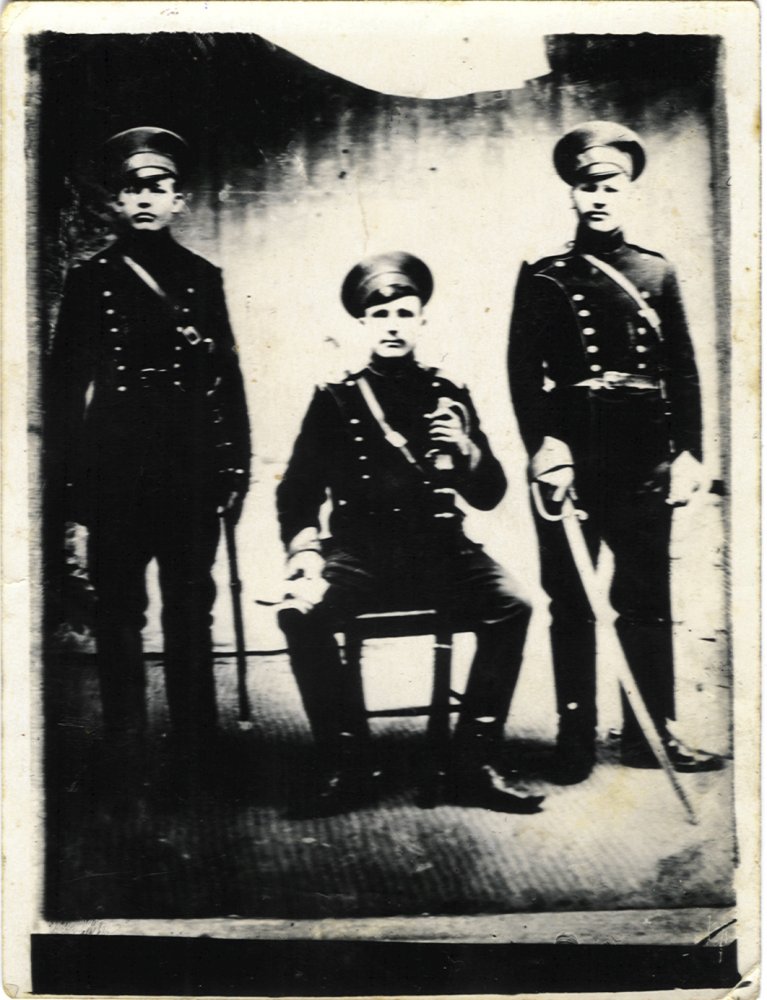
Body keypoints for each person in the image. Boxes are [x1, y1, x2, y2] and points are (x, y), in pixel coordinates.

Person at [276, 251, 542, 816]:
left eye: (404, 313)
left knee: (513, 605)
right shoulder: (336, 398)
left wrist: (467, 451)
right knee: (300, 614)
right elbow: (296, 491)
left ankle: (472, 764)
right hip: (360, 554)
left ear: (422, 320)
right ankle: (349, 765)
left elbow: (490, 494)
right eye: (380, 316)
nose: (393, 326)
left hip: (441, 552)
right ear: (363, 324)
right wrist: (304, 553)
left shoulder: (449, 392)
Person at [508, 120, 724, 783]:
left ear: (628, 191)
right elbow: (522, 372)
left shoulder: (656, 271)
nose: (599, 197)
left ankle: (649, 734)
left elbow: (682, 369)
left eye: (611, 186)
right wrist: (544, 445)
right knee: (571, 602)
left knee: (646, 600)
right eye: (587, 186)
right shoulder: (543, 274)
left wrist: (688, 453)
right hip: (570, 463)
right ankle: (574, 737)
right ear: (571, 193)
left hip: (642, 461)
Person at [46, 127, 251, 791]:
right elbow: (63, 390)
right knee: (119, 613)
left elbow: (227, 377)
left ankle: (196, 751)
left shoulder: (201, 279)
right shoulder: (90, 281)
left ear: (178, 200)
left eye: (157, 188)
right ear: (116, 200)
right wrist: (68, 490)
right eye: (131, 188)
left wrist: (236, 466)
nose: (143, 199)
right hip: (115, 473)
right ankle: (125, 751)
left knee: (190, 611)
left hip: (189, 471)